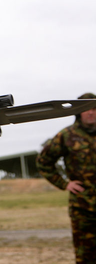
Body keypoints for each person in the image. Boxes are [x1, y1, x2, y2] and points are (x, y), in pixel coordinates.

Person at [36, 92, 96, 263]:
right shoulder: (67, 136)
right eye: (86, 109)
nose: (90, 112)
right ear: (78, 112)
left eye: (94, 108)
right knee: (85, 257)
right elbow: (43, 162)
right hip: (82, 209)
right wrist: (64, 184)